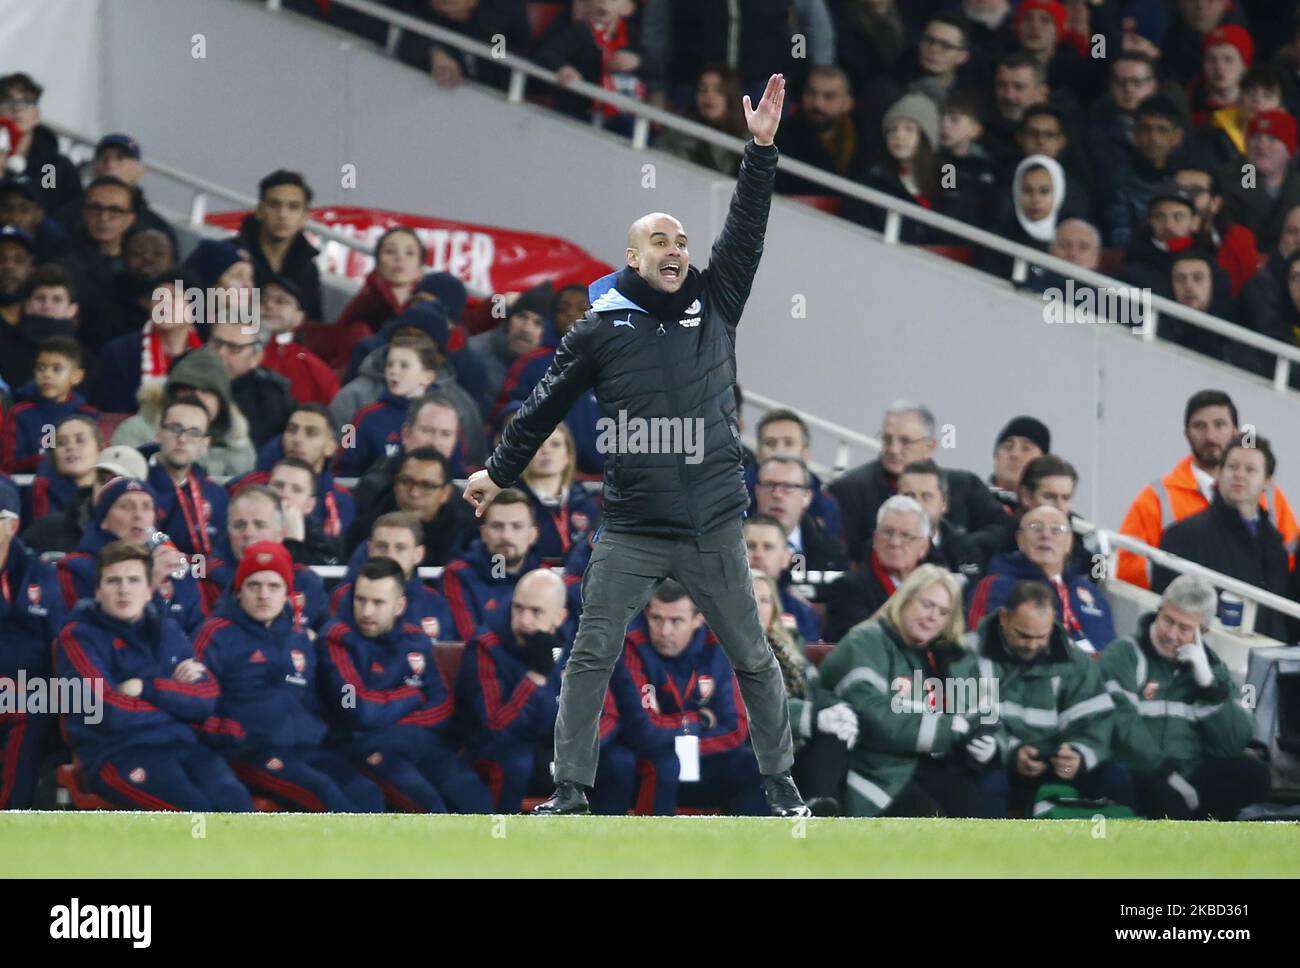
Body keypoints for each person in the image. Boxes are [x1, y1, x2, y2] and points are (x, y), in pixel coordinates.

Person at [464, 75, 808, 817]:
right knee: (590, 652)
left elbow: (747, 226)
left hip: (715, 522)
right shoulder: (597, 328)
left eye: (683, 240)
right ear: (633, 254)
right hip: (631, 526)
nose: (677, 248)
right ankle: (570, 790)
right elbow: (541, 404)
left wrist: (761, 150)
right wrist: (497, 473)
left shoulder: (717, 301)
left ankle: (781, 787)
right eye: (662, 240)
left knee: (754, 656)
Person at [53, 540, 254, 811]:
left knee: (237, 805)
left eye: (134, 580)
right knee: (195, 813)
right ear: (98, 591)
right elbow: (106, 710)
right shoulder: (77, 636)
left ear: (149, 591)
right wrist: (176, 704)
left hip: (184, 746)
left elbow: (205, 698)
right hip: (116, 753)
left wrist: (145, 688)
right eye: (113, 581)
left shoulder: (168, 631)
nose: (124, 589)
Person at [192, 541, 385, 812]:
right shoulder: (215, 633)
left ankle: (372, 855)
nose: (263, 595)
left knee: (366, 792)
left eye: (273, 587)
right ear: (238, 591)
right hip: (249, 752)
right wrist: (233, 733)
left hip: (307, 748)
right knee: (322, 792)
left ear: (287, 594)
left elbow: (314, 701)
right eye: (254, 585)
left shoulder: (297, 637)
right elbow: (193, 705)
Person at [320, 556, 493, 813]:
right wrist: (412, 695)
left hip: (422, 745)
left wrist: (393, 722)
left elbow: (443, 707)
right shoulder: (336, 640)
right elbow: (359, 710)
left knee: (476, 800)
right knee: (431, 808)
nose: (366, 611)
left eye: (378, 602)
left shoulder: (417, 642)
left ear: (399, 605)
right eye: (360, 600)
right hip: (368, 750)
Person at [818, 565, 992, 817]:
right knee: (928, 815)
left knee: (973, 806)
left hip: (929, 766)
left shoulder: (949, 653)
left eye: (943, 612)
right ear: (905, 598)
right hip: (874, 770)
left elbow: (981, 710)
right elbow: (872, 716)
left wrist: (987, 741)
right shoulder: (866, 641)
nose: (933, 617)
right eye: (927, 604)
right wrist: (948, 730)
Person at [457, 568, 633, 814]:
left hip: (559, 748)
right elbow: (498, 727)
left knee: (620, 763)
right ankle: (500, 843)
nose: (524, 620)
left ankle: (606, 845)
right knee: (517, 763)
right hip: (506, 747)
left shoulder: (579, 646)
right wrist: (536, 676)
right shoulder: (487, 646)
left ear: (559, 617)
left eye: (536, 612)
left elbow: (609, 714)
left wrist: (574, 751)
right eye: (518, 608)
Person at [1101, 574, 1272, 820]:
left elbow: (1232, 744)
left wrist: (1210, 687)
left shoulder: (1212, 668)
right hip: (1139, 769)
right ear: (1158, 611)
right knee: (1164, 797)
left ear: (1203, 632)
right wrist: (1169, 775)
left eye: (1184, 628)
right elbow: (1121, 727)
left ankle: (1210, 839)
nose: (1171, 634)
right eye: (1167, 620)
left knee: (1255, 774)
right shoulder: (1124, 654)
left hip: (1190, 772)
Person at [608, 580, 767, 815]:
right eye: (656, 618)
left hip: (703, 756)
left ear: (698, 619)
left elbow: (735, 728)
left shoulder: (720, 646)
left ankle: (748, 848)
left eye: (676, 621)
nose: (664, 631)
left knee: (752, 766)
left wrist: (676, 736)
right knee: (663, 764)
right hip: (648, 759)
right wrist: (698, 721)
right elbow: (641, 730)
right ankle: (649, 846)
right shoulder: (631, 643)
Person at [969, 581, 1123, 818]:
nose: (1032, 644)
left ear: (1053, 623)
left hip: (1057, 763)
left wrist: (1078, 756)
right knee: (986, 783)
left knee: (1116, 777)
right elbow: (971, 717)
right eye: (1023, 635)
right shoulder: (971, 651)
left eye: (1041, 636)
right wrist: (1012, 753)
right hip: (998, 760)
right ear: (1003, 617)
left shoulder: (1075, 660)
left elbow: (1096, 720)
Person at [1118, 389, 1300, 588]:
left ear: (1235, 432)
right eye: (1199, 426)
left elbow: (1288, 566)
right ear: (1186, 434)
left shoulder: (1272, 496)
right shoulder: (1156, 497)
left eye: (1220, 425)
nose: (1210, 436)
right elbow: (1127, 566)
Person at [830, 400, 1007, 566]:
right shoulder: (848, 490)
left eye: (905, 441)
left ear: (930, 447)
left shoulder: (965, 485)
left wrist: (960, 546)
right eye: (887, 439)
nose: (893, 449)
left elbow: (1003, 530)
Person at [1154, 434, 1292, 641]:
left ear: (1267, 482)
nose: (1239, 475)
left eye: (1250, 469)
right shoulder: (1183, 535)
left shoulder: (1275, 545)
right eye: (1232, 467)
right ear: (1219, 474)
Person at [54, 475, 205, 635]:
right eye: (126, 507)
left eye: (147, 507)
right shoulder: (75, 569)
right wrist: (149, 582)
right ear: (103, 521)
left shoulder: (174, 568)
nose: (138, 515)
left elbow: (198, 629)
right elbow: (86, 633)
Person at [751, 569, 848, 814]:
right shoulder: (722, 645)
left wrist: (837, 709)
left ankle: (822, 807)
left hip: (797, 739)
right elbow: (754, 706)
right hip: (757, 743)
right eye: (749, 597)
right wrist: (814, 717)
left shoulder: (788, 642)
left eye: (764, 600)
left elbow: (815, 688)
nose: (757, 607)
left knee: (835, 735)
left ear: (774, 607)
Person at [967, 504, 1115, 654]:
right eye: (1035, 528)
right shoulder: (995, 586)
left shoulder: (1087, 590)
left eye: (1056, 529)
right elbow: (978, 648)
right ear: (1020, 540)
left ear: (1069, 542)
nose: (1046, 535)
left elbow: (1110, 652)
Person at [0, 477, 66, 808]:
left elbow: (57, 642)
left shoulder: (39, 573)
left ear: (11, 524)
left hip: (29, 693)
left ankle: (13, 815)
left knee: (29, 712)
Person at [110, 342, 256, 477]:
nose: (197, 397)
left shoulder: (236, 442)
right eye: (188, 388)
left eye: (206, 391)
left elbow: (243, 487)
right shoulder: (136, 431)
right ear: (172, 393)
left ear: (222, 402)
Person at [200, 484, 328, 630]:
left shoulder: (306, 581)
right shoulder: (204, 577)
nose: (248, 533)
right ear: (229, 532)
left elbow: (326, 634)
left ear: (281, 533)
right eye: (239, 525)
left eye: (260, 525)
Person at [822, 494, 932, 643]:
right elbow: (851, 644)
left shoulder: (934, 590)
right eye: (888, 532)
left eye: (906, 535)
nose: (894, 542)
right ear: (875, 539)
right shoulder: (848, 588)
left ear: (924, 546)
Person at [331, 511, 455, 640]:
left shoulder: (436, 603)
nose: (390, 555)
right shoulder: (343, 597)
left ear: (418, 554)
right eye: (381, 546)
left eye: (400, 548)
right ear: (369, 550)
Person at [245, 403, 355, 544]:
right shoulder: (247, 486)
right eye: (292, 430)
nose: (297, 440)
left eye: (311, 433)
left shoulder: (342, 501)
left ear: (331, 447)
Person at [349, 447, 476, 568]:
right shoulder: (367, 527)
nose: (414, 493)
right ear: (395, 484)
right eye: (405, 481)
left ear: (445, 493)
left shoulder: (466, 535)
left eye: (426, 485)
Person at [442, 488, 542, 640]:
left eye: (517, 526)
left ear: (533, 535)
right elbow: (469, 641)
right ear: (483, 533)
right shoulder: (459, 574)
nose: (506, 536)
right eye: (497, 526)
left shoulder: (544, 578)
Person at [336, 335, 438, 478]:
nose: (393, 371)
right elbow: (343, 466)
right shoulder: (364, 416)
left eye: (404, 365)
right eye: (390, 364)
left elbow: (459, 469)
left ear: (427, 377)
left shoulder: (445, 418)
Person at [56, 176, 138, 350]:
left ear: (130, 218)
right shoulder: (63, 262)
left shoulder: (141, 265)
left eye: (115, 210)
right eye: (96, 208)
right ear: (84, 213)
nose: (104, 218)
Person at [146, 394, 228, 560]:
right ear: (159, 433)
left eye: (194, 433)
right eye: (175, 428)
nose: (182, 439)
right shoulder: (135, 484)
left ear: (205, 444)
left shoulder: (217, 496)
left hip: (201, 579)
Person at [233, 170, 323, 322]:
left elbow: (312, 325)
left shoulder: (309, 269)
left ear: (304, 217)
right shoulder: (227, 254)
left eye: (293, 207)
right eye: (274, 205)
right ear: (260, 211)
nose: (283, 214)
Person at [745, 407, 842, 544]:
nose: (779, 450)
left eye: (789, 443)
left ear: (806, 453)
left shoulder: (825, 506)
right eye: (770, 443)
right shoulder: (733, 498)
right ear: (758, 453)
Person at [1102, 96, 1188, 249]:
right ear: (1134, 134)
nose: (1153, 138)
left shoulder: (1187, 179)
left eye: (1162, 130)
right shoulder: (1118, 181)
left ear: (1177, 137)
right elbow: (1119, 238)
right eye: (1145, 129)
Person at [2, 336, 97, 472]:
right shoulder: (20, 413)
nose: (47, 375)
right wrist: (57, 458)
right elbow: (9, 463)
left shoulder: (89, 415)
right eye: (41, 368)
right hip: (29, 487)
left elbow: (98, 459)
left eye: (57, 369)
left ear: (76, 377)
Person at [1217, 108, 1300, 253]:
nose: (1261, 145)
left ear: (1289, 149)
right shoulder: (1227, 181)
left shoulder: (1296, 186)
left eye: (1272, 139)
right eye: (1255, 137)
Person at [515, 424, 600, 565]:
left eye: (555, 444)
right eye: (538, 445)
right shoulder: (511, 504)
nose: (546, 450)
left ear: (568, 455)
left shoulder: (588, 504)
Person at [775, 66, 865, 197]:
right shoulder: (779, 136)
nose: (817, 103)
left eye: (829, 96)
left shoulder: (862, 140)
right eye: (811, 93)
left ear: (847, 103)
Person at [208, 322, 295, 451]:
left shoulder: (270, 399)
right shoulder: (186, 374)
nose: (221, 353)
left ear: (256, 357)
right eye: (216, 343)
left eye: (234, 347)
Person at [0, 73, 80, 213]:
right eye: (7, 101)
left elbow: (68, 215)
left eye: (26, 102)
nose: (17, 109)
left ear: (37, 114)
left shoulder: (58, 167)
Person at [896, 459, 984, 584]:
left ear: (944, 503)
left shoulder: (966, 549)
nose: (917, 504)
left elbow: (970, 595)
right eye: (909, 496)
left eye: (926, 496)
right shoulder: (881, 546)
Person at [255, 276, 339, 406]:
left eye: (281, 301)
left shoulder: (316, 371)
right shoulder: (232, 348)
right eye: (263, 300)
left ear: (298, 318)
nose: (269, 305)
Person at [753, 455, 846, 573]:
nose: (777, 494)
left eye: (788, 487)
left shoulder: (832, 553)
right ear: (757, 492)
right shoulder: (730, 543)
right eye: (769, 485)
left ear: (806, 497)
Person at [655, 64, 746, 176]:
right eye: (703, 90)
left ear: (731, 96)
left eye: (718, 90)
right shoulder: (680, 126)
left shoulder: (747, 134)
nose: (709, 95)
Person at [743, 514, 820, 645]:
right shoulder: (712, 605)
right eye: (750, 546)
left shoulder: (801, 614)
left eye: (768, 547)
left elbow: (802, 662)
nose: (758, 555)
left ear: (786, 558)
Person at [266, 457, 343, 565]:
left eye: (297, 490)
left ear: (309, 505)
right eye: (278, 485)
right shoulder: (246, 526)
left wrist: (293, 543)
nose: (284, 494)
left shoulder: (322, 543)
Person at [988, 415, 1049, 499]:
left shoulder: (1056, 509)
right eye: (1008, 447)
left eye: (1026, 449)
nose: (1014, 455)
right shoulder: (971, 504)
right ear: (996, 456)